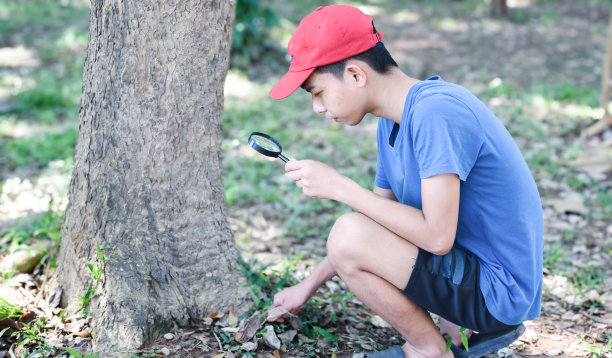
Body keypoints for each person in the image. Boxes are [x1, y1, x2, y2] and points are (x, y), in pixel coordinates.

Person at [267, 5, 543, 358]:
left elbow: (437, 238)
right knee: (353, 231)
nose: (318, 108)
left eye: (317, 92)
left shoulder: (435, 113)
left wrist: (340, 186)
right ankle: (447, 333)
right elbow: (375, 223)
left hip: (497, 293)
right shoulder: (392, 120)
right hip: (473, 276)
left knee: (348, 231)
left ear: (355, 74)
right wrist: (307, 286)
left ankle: (428, 350)